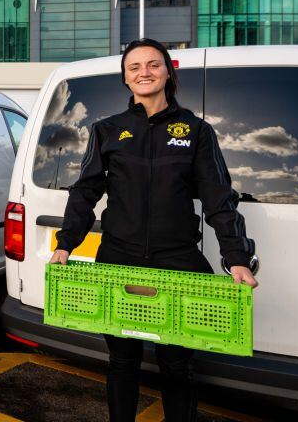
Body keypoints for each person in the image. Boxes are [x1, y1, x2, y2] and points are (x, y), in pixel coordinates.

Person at [50, 38, 258, 422]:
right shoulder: (107, 130)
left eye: (153, 64)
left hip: (176, 260)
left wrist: (237, 258)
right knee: (122, 360)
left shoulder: (196, 131)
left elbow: (218, 198)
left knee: (177, 364)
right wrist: (66, 244)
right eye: (134, 67)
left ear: (167, 72)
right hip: (119, 258)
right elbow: (85, 193)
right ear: (125, 79)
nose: (144, 72)